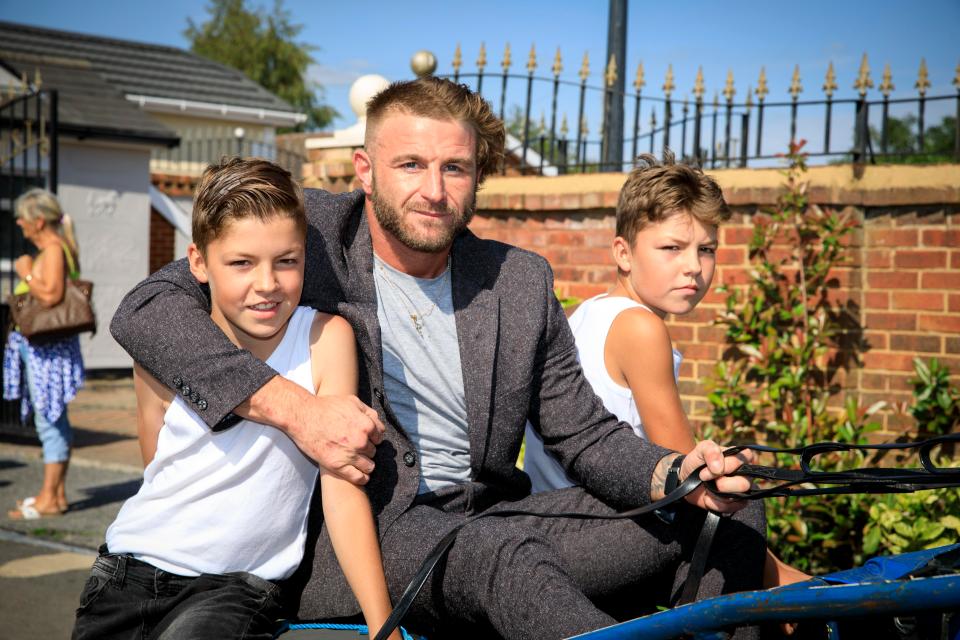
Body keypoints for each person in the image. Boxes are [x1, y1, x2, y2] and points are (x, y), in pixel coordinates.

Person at [110, 78, 766, 639]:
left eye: (454, 167)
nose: (435, 189)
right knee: (501, 556)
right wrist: (299, 413)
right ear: (365, 170)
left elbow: (584, 433)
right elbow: (146, 310)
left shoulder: (518, 280)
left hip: (494, 514)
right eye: (411, 165)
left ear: (477, 175)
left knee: (730, 498)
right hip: (372, 533)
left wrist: (676, 470)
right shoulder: (306, 240)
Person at [73, 159, 401, 640]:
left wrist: (382, 625)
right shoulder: (167, 349)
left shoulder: (325, 338)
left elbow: (342, 481)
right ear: (199, 262)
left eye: (286, 260)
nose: (267, 283)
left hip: (234, 591)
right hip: (125, 573)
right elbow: (157, 464)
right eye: (242, 262)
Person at [524, 152, 809, 591]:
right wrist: (780, 577)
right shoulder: (641, 327)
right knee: (736, 498)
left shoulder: (590, 313)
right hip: (591, 532)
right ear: (624, 253)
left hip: (558, 521)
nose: (693, 266)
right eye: (672, 248)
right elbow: (690, 472)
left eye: (706, 249)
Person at [4, 188, 85, 520]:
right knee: (55, 418)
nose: (19, 223)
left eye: (23, 217)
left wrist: (24, 271)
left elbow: (50, 295)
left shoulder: (52, 250)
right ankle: (56, 494)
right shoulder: (58, 248)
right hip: (46, 349)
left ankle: (48, 499)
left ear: (38, 220)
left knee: (49, 420)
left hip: (46, 350)